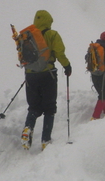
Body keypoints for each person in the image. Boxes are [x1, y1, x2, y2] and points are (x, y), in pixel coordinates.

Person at [21, 10, 72, 151]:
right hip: (47, 74)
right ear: (48, 21)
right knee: (49, 108)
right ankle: (45, 140)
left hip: (30, 75)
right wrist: (67, 66)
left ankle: (28, 128)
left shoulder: (27, 36)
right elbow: (59, 52)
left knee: (34, 107)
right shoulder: (52, 34)